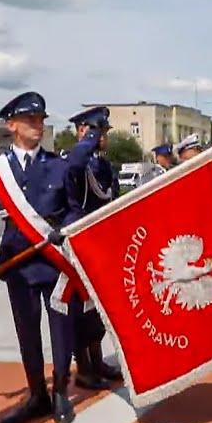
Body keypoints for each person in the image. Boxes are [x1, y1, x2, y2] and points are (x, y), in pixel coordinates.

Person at [0, 91, 80, 423]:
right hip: (17, 263)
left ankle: (61, 391)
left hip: (54, 263)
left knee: (60, 328)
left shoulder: (59, 166)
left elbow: (74, 210)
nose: (38, 125)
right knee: (27, 331)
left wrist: (63, 231)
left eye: (40, 119)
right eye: (30, 120)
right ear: (12, 125)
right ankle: (36, 393)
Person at [63, 106, 124, 389]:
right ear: (83, 131)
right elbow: (75, 163)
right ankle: (84, 367)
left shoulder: (103, 166)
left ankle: (97, 360)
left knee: (98, 308)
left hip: (102, 242)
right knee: (81, 309)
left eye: (105, 132)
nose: (104, 137)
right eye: (100, 132)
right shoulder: (75, 160)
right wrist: (88, 138)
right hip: (80, 244)